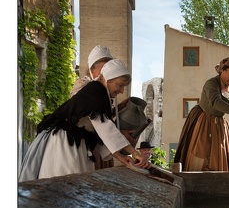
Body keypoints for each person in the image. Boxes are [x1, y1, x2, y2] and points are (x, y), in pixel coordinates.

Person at [19, 59, 147, 181]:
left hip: (77, 142)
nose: (121, 90)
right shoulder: (95, 91)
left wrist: (122, 157)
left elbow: (100, 133)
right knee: (67, 182)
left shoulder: (101, 94)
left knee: (78, 184)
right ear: (108, 78)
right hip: (64, 143)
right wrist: (134, 153)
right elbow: (107, 129)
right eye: (119, 85)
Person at [174, 57, 229, 172]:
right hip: (203, 120)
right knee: (200, 152)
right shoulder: (211, 83)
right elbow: (216, 102)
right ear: (223, 70)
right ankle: (195, 179)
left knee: (219, 154)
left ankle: (219, 180)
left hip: (219, 124)